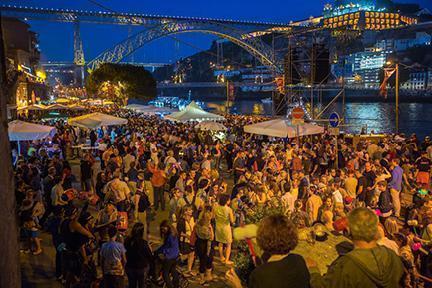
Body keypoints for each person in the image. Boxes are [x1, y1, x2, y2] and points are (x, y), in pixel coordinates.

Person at [307, 207, 404, 288]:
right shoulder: (392, 256)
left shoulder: (348, 265)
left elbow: (322, 286)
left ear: (349, 230)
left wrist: (313, 270)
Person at [225, 214, 310, 288]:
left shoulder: (259, 275)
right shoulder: (299, 260)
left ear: (263, 238)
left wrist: (237, 285)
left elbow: (270, 277)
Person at [124, 223, 153, 288]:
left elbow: (125, 252)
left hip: (130, 267)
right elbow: (149, 256)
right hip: (141, 268)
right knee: (141, 285)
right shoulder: (143, 243)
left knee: (132, 285)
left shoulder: (127, 241)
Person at [155, 220, 180, 288]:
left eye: (163, 228)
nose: (162, 230)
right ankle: (176, 285)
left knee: (165, 273)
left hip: (170, 257)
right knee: (173, 270)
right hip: (176, 256)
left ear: (167, 227)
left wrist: (160, 252)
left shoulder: (170, 236)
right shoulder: (174, 233)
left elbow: (167, 247)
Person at [195, 209, 215, 285]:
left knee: (203, 261)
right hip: (206, 246)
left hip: (200, 244)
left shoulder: (198, 223)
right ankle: (203, 278)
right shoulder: (205, 227)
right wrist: (211, 229)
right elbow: (211, 237)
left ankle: (207, 276)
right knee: (205, 261)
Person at [214, 194, 235, 265]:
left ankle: (221, 257)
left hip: (218, 227)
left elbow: (213, 217)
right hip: (226, 227)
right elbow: (232, 221)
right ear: (226, 201)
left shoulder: (216, 207)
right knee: (229, 244)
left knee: (220, 243)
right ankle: (226, 260)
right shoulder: (229, 209)